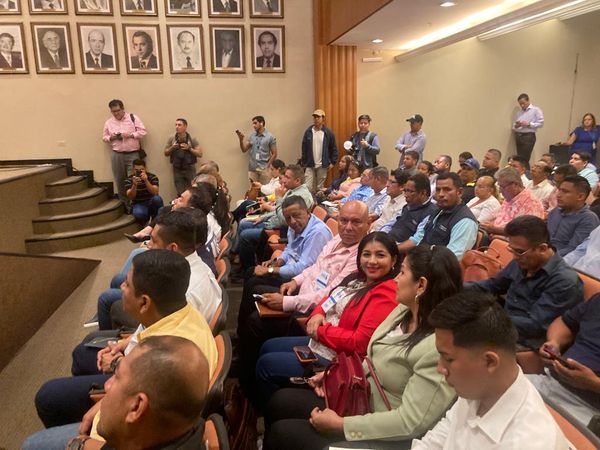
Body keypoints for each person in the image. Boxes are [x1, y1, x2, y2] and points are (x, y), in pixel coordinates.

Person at [264, 245, 462, 450]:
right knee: (280, 401)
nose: (396, 279)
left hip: (383, 430)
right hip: (357, 395)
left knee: (283, 434)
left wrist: (342, 425)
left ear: (420, 285)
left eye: (402, 273)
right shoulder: (404, 310)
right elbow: (372, 358)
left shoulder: (438, 348)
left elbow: (409, 422)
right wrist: (334, 375)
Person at [28, 250, 218, 445]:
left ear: (144, 302)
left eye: (127, 284)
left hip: (112, 437)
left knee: (36, 432)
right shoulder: (180, 314)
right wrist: (121, 351)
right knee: (80, 355)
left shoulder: (174, 353)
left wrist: (85, 443)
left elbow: (139, 423)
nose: (121, 286)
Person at [236, 201, 370, 405]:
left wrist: (287, 302)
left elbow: (328, 294)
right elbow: (314, 268)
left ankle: (248, 388)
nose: (348, 227)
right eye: (343, 221)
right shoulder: (337, 240)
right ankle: (245, 364)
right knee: (255, 291)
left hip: (309, 311)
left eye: (356, 222)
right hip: (302, 294)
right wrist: (295, 282)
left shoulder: (361, 256)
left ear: (367, 224)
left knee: (256, 322)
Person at [255, 232, 400, 407]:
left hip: (338, 357)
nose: (372, 261)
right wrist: (317, 314)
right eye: (366, 254)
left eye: (380, 255)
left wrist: (320, 331)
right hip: (320, 342)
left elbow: (359, 343)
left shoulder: (386, 292)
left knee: (266, 365)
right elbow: (328, 298)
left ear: (393, 260)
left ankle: (272, 409)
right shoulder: (357, 278)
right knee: (268, 346)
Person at [412, 292, 570, 449]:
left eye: (448, 359)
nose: (440, 368)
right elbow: (438, 439)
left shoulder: (528, 443)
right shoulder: (479, 388)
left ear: (490, 362)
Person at [27, 336, 211, 450]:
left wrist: (78, 444)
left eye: (117, 376)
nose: (107, 385)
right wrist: (82, 444)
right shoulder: (184, 429)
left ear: (136, 407)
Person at [466, 215, 583, 346]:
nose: (514, 257)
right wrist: (456, 286)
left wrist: (486, 320)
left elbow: (535, 325)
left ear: (542, 248)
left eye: (519, 252)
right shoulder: (523, 260)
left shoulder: (565, 281)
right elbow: (493, 285)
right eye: (512, 250)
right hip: (505, 325)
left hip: (527, 341)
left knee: (462, 341)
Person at [108, 208, 222, 330]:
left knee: (109, 302)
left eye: (154, 241)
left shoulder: (182, 293)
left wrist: (129, 340)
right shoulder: (197, 265)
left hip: (168, 334)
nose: (148, 245)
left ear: (172, 248)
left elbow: (162, 334)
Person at [237, 165, 313, 271]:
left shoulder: (302, 196)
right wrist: (262, 217)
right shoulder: (291, 190)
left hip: (281, 229)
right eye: (284, 176)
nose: (283, 180)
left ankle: (249, 269)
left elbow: (284, 220)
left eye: (287, 177)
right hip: (272, 222)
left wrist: (279, 198)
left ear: (297, 181)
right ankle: (242, 263)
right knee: (243, 223)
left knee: (245, 235)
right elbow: (277, 211)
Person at [398, 172, 478, 261]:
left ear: (459, 192)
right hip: (417, 259)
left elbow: (450, 259)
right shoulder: (439, 210)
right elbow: (418, 238)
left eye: (447, 189)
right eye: (438, 190)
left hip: (433, 267)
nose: (441, 194)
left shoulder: (465, 221)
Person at [102, 100, 147, 205]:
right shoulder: (109, 122)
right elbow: (104, 137)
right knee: (119, 179)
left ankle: (135, 203)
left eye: (117, 110)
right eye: (113, 111)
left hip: (133, 154)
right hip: (117, 154)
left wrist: (130, 135)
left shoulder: (133, 118)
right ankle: (124, 204)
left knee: (134, 178)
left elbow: (143, 132)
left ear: (123, 109)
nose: (116, 113)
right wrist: (112, 137)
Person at [479, 167, 543, 236]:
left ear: (515, 185)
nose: (500, 190)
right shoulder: (509, 198)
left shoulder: (532, 203)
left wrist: (495, 230)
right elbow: (500, 221)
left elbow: (526, 233)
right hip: (495, 236)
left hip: (509, 240)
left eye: (502, 187)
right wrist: (490, 226)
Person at [547, 175, 599, 256]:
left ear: (580, 196)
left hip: (560, 260)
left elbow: (574, 251)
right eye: (559, 190)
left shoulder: (588, 219)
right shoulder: (556, 211)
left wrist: (546, 256)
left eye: (565, 192)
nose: (558, 195)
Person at [382, 173, 437, 242]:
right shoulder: (406, 207)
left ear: (423, 193)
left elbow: (416, 241)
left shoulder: (431, 213)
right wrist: (380, 238)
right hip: (387, 241)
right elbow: (389, 225)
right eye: (405, 191)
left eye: (410, 191)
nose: (405, 195)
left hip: (400, 246)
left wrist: (391, 247)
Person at [301, 109, 338, 193]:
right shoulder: (308, 131)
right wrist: (304, 162)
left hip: (322, 165)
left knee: (319, 188)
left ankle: (318, 200)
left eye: (318, 117)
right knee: (307, 186)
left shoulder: (328, 132)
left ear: (323, 118)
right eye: (314, 117)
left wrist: (333, 162)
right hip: (310, 164)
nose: (316, 119)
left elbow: (333, 148)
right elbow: (304, 148)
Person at [164, 118, 203, 195]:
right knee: (180, 192)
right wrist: (172, 147)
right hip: (177, 168)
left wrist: (189, 148)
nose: (177, 127)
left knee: (192, 191)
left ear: (185, 126)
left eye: (179, 125)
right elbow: (165, 153)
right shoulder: (172, 138)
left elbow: (200, 154)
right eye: (176, 125)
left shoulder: (192, 138)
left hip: (190, 168)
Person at [236, 115, 278, 184]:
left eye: (255, 123)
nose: (253, 125)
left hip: (264, 169)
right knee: (253, 189)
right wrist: (241, 140)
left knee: (265, 189)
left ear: (261, 123)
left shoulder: (270, 137)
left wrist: (267, 166)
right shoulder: (252, 136)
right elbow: (244, 150)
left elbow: (274, 153)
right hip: (253, 168)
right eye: (253, 123)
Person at [125, 159, 163, 224]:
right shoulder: (128, 180)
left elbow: (155, 192)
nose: (139, 172)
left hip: (151, 201)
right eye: (137, 170)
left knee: (157, 199)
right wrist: (134, 185)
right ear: (133, 170)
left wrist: (146, 181)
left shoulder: (152, 177)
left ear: (145, 168)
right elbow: (131, 197)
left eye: (141, 170)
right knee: (139, 213)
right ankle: (146, 220)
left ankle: (155, 220)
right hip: (138, 203)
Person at [513, 93, 544, 163]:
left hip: (528, 136)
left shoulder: (536, 110)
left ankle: (526, 170)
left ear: (528, 101)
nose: (522, 105)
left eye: (523, 103)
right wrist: (516, 126)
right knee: (519, 159)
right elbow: (514, 125)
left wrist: (529, 124)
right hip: (518, 135)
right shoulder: (519, 112)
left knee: (524, 159)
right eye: (520, 104)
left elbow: (541, 124)